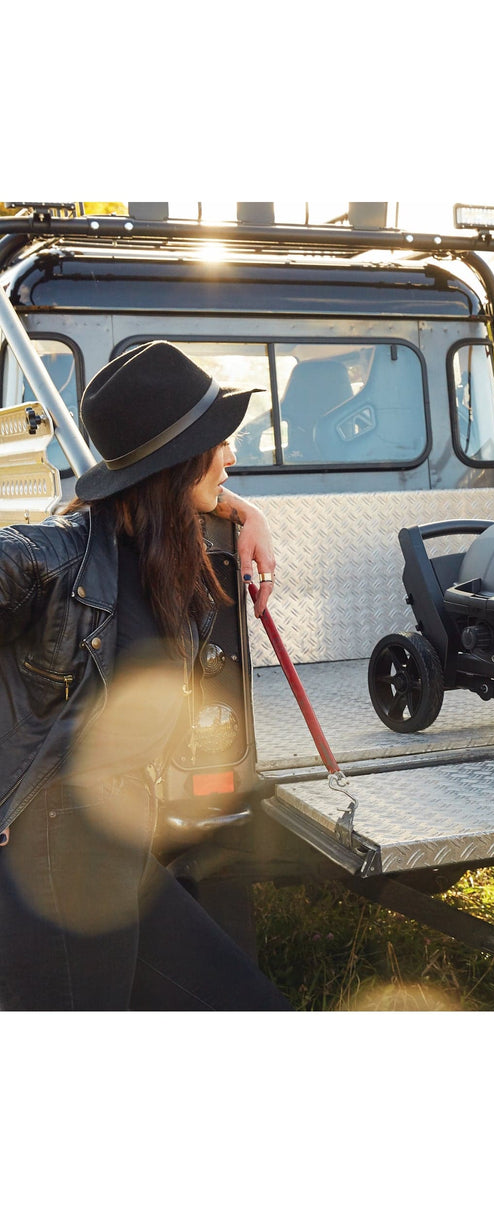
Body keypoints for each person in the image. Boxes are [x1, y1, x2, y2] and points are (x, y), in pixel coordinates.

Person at [0, 340, 291, 1010]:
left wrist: (243, 511)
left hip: (115, 843)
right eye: (219, 443)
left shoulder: (164, 546)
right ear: (176, 462)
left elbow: (184, 496)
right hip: (50, 857)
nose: (232, 457)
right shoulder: (51, 559)